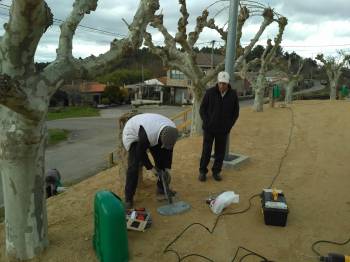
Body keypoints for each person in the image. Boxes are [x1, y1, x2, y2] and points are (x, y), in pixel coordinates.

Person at [122, 113, 179, 208]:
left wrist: (167, 168)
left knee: (161, 159)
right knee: (134, 166)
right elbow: (141, 153)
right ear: (161, 136)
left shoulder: (172, 131)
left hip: (151, 130)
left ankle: (162, 188)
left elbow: (168, 151)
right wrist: (151, 168)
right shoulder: (147, 136)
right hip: (132, 133)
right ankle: (128, 198)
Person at [198, 71, 240, 182]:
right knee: (206, 151)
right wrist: (207, 122)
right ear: (218, 82)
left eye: (224, 84)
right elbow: (202, 109)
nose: (222, 85)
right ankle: (202, 171)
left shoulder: (233, 95)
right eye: (221, 83)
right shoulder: (210, 92)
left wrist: (228, 126)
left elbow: (235, 113)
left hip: (223, 130)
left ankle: (216, 172)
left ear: (228, 83)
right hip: (209, 129)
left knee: (220, 152)